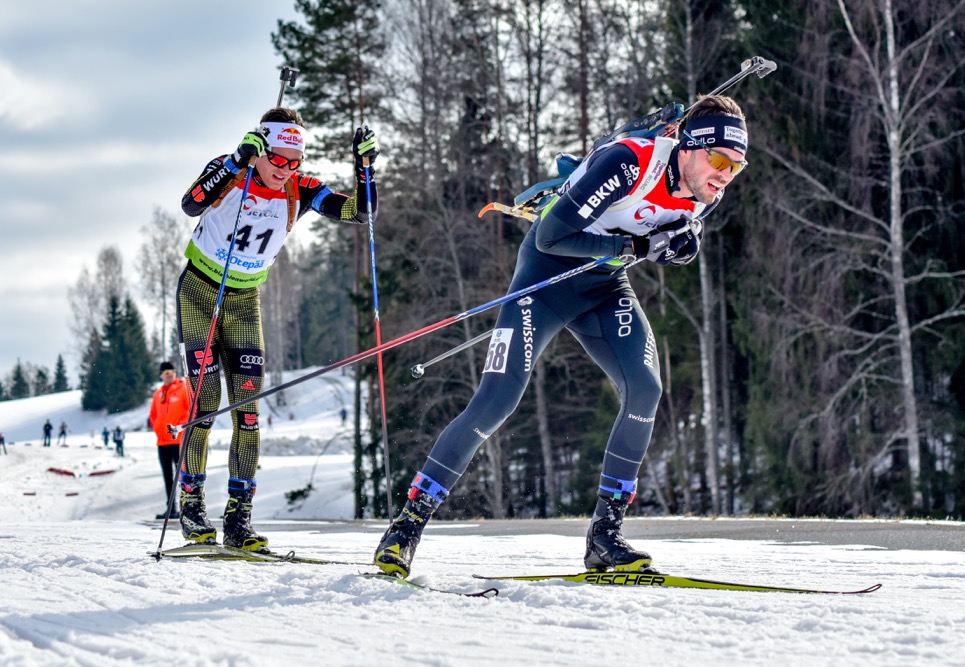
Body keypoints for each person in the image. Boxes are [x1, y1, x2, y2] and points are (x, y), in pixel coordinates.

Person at [374, 95, 749, 578]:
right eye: (719, 160)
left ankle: (604, 537)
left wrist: (679, 247)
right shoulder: (628, 162)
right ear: (688, 146)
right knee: (496, 401)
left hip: (603, 288)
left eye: (736, 168)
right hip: (544, 281)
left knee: (646, 389)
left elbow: (672, 241)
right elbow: (551, 236)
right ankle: (405, 528)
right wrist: (636, 245)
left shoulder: (706, 192)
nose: (725, 175)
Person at [176, 107, 379, 551]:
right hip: (200, 294)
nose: (285, 170)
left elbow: (360, 213)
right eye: (278, 159)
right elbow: (191, 202)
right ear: (262, 148)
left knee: (248, 413)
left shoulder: (300, 189)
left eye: (295, 162)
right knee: (206, 405)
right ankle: (191, 508)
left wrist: (365, 171)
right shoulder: (231, 169)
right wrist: (234, 162)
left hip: (245, 301)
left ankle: (239, 520)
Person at [149, 361, 190, 520]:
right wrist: (157, 428)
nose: (168, 373)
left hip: (177, 440)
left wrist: (179, 427)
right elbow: (153, 415)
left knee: (182, 475)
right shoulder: (158, 394)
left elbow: (189, 412)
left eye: (171, 370)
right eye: (165, 371)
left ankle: (186, 507)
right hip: (162, 442)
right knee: (167, 475)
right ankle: (171, 508)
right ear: (160, 375)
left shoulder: (182, 390)